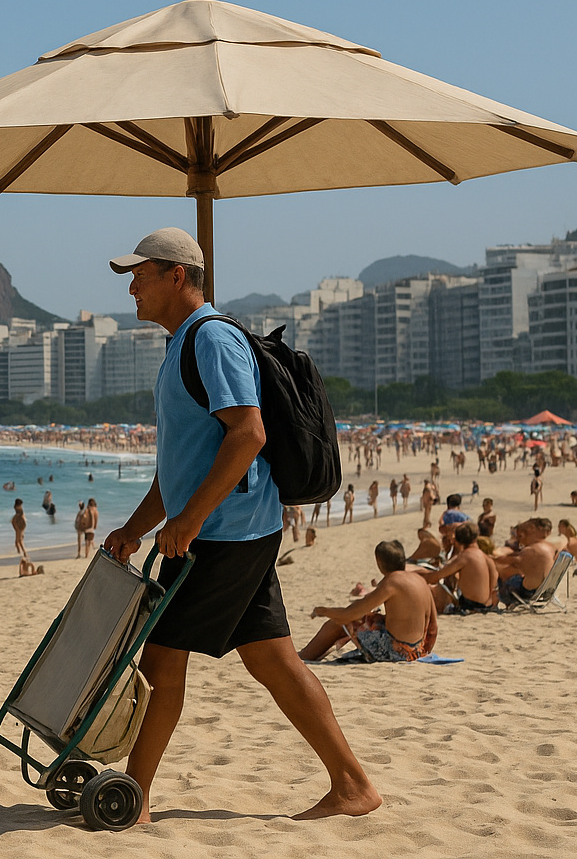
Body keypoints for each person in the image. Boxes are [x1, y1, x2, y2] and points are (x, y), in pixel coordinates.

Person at [102, 228, 378, 822]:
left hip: (224, 534)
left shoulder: (211, 341)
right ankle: (353, 786)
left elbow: (248, 433)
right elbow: (178, 468)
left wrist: (190, 519)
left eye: (140, 274)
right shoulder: (180, 346)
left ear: (177, 275)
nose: (131, 287)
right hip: (226, 528)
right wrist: (135, 529)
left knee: (161, 656)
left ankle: (137, 797)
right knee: (273, 659)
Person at [298, 540, 438, 662]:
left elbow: (349, 614)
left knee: (338, 623)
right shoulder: (421, 581)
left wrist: (322, 611)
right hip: (417, 651)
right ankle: (320, 649)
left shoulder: (392, 582)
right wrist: (422, 653)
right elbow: (433, 627)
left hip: (396, 651)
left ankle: (304, 656)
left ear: (379, 562)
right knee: (369, 619)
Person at [420, 522, 499, 612]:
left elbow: (437, 576)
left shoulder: (465, 557)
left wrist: (418, 575)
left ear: (457, 540)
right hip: (488, 607)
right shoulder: (487, 558)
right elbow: (494, 587)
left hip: (471, 606)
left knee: (435, 590)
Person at [496, 517, 558, 604]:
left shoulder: (531, 550)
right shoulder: (550, 547)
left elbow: (509, 561)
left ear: (532, 531)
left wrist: (492, 558)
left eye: (521, 536)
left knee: (502, 571)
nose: (519, 541)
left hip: (529, 591)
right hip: (545, 588)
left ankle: (495, 603)